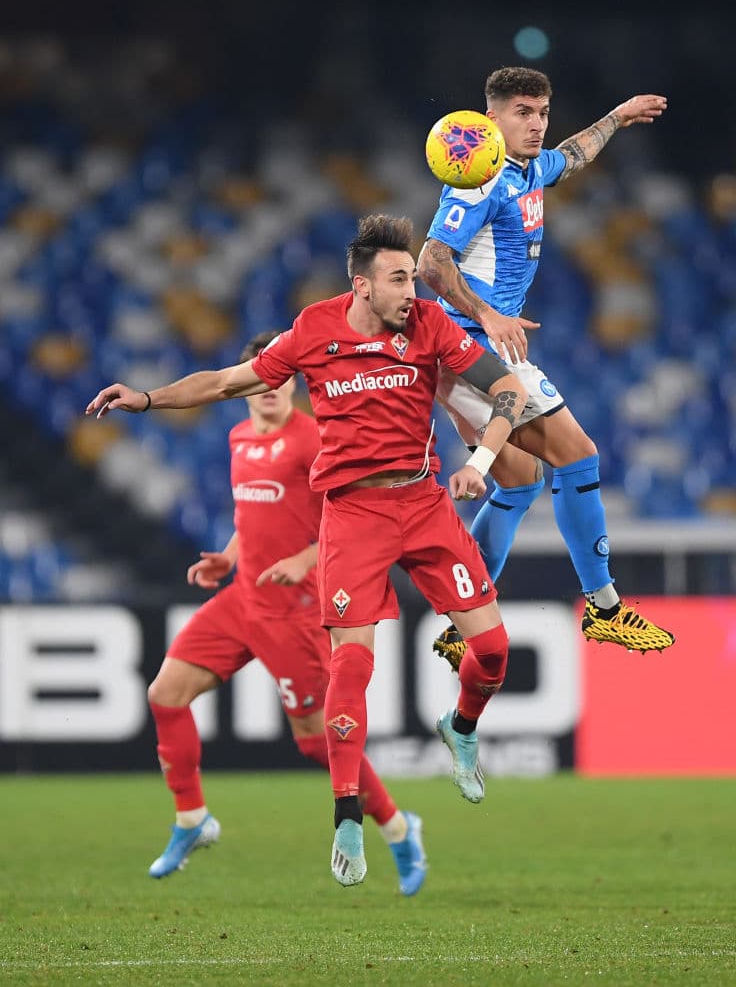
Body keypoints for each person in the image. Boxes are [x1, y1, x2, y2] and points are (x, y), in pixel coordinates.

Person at [87, 214, 529, 889]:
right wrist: (146, 399)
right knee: (349, 668)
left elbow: (509, 390)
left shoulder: (430, 326)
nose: (412, 290)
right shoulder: (313, 330)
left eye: (413, 278)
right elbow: (225, 382)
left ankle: (461, 726)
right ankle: (348, 816)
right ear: (362, 285)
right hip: (353, 515)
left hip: (424, 503)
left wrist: (482, 460)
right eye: (400, 278)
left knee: (493, 652)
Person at [145, 330, 427, 896]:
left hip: (295, 612)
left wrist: (305, 559)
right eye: (260, 378)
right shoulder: (238, 438)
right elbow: (253, 515)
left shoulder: (314, 440)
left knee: (315, 741)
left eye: (279, 377)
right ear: (246, 386)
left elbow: (356, 518)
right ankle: (192, 819)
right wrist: (228, 557)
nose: (270, 387)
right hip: (242, 599)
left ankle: (398, 827)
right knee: (165, 694)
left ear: (293, 383)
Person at [417, 65, 675, 668]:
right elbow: (430, 261)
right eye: (522, 113)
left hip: (467, 353)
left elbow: (572, 156)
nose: (536, 125)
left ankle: (464, 616)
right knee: (579, 456)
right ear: (491, 120)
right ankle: (605, 608)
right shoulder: (479, 182)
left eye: (542, 113)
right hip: (471, 346)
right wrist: (488, 314)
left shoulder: (531, 168)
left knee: (521, 481)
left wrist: (617, 117)